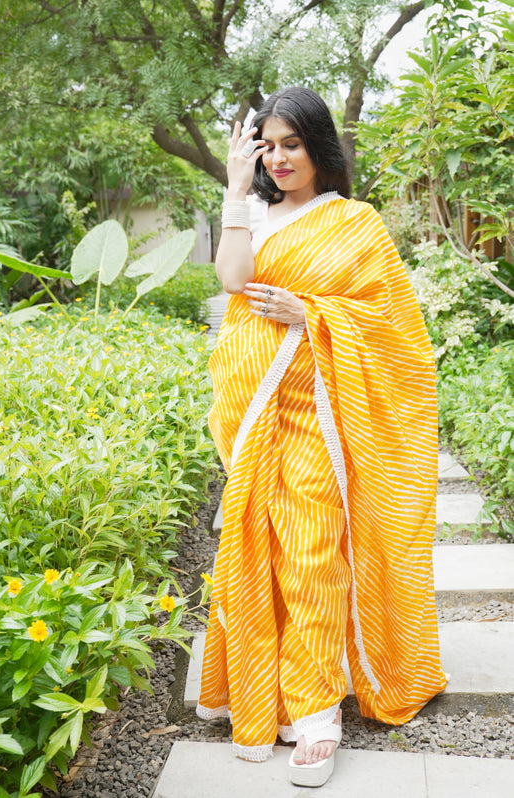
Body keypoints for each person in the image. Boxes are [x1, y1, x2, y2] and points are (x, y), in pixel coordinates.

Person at [196, 87, 448, 788]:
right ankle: (262, 688)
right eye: (266, 146)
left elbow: (397, 331)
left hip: (324, 415)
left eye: (291, 145)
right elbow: (233, 281)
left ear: (319, 147)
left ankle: (314, 713)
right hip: (254, 413)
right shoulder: (250, 212)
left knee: (311, 552)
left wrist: (310, 313)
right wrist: (234, 190)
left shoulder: (354, 223)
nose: (278, 159)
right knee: (255, 542)